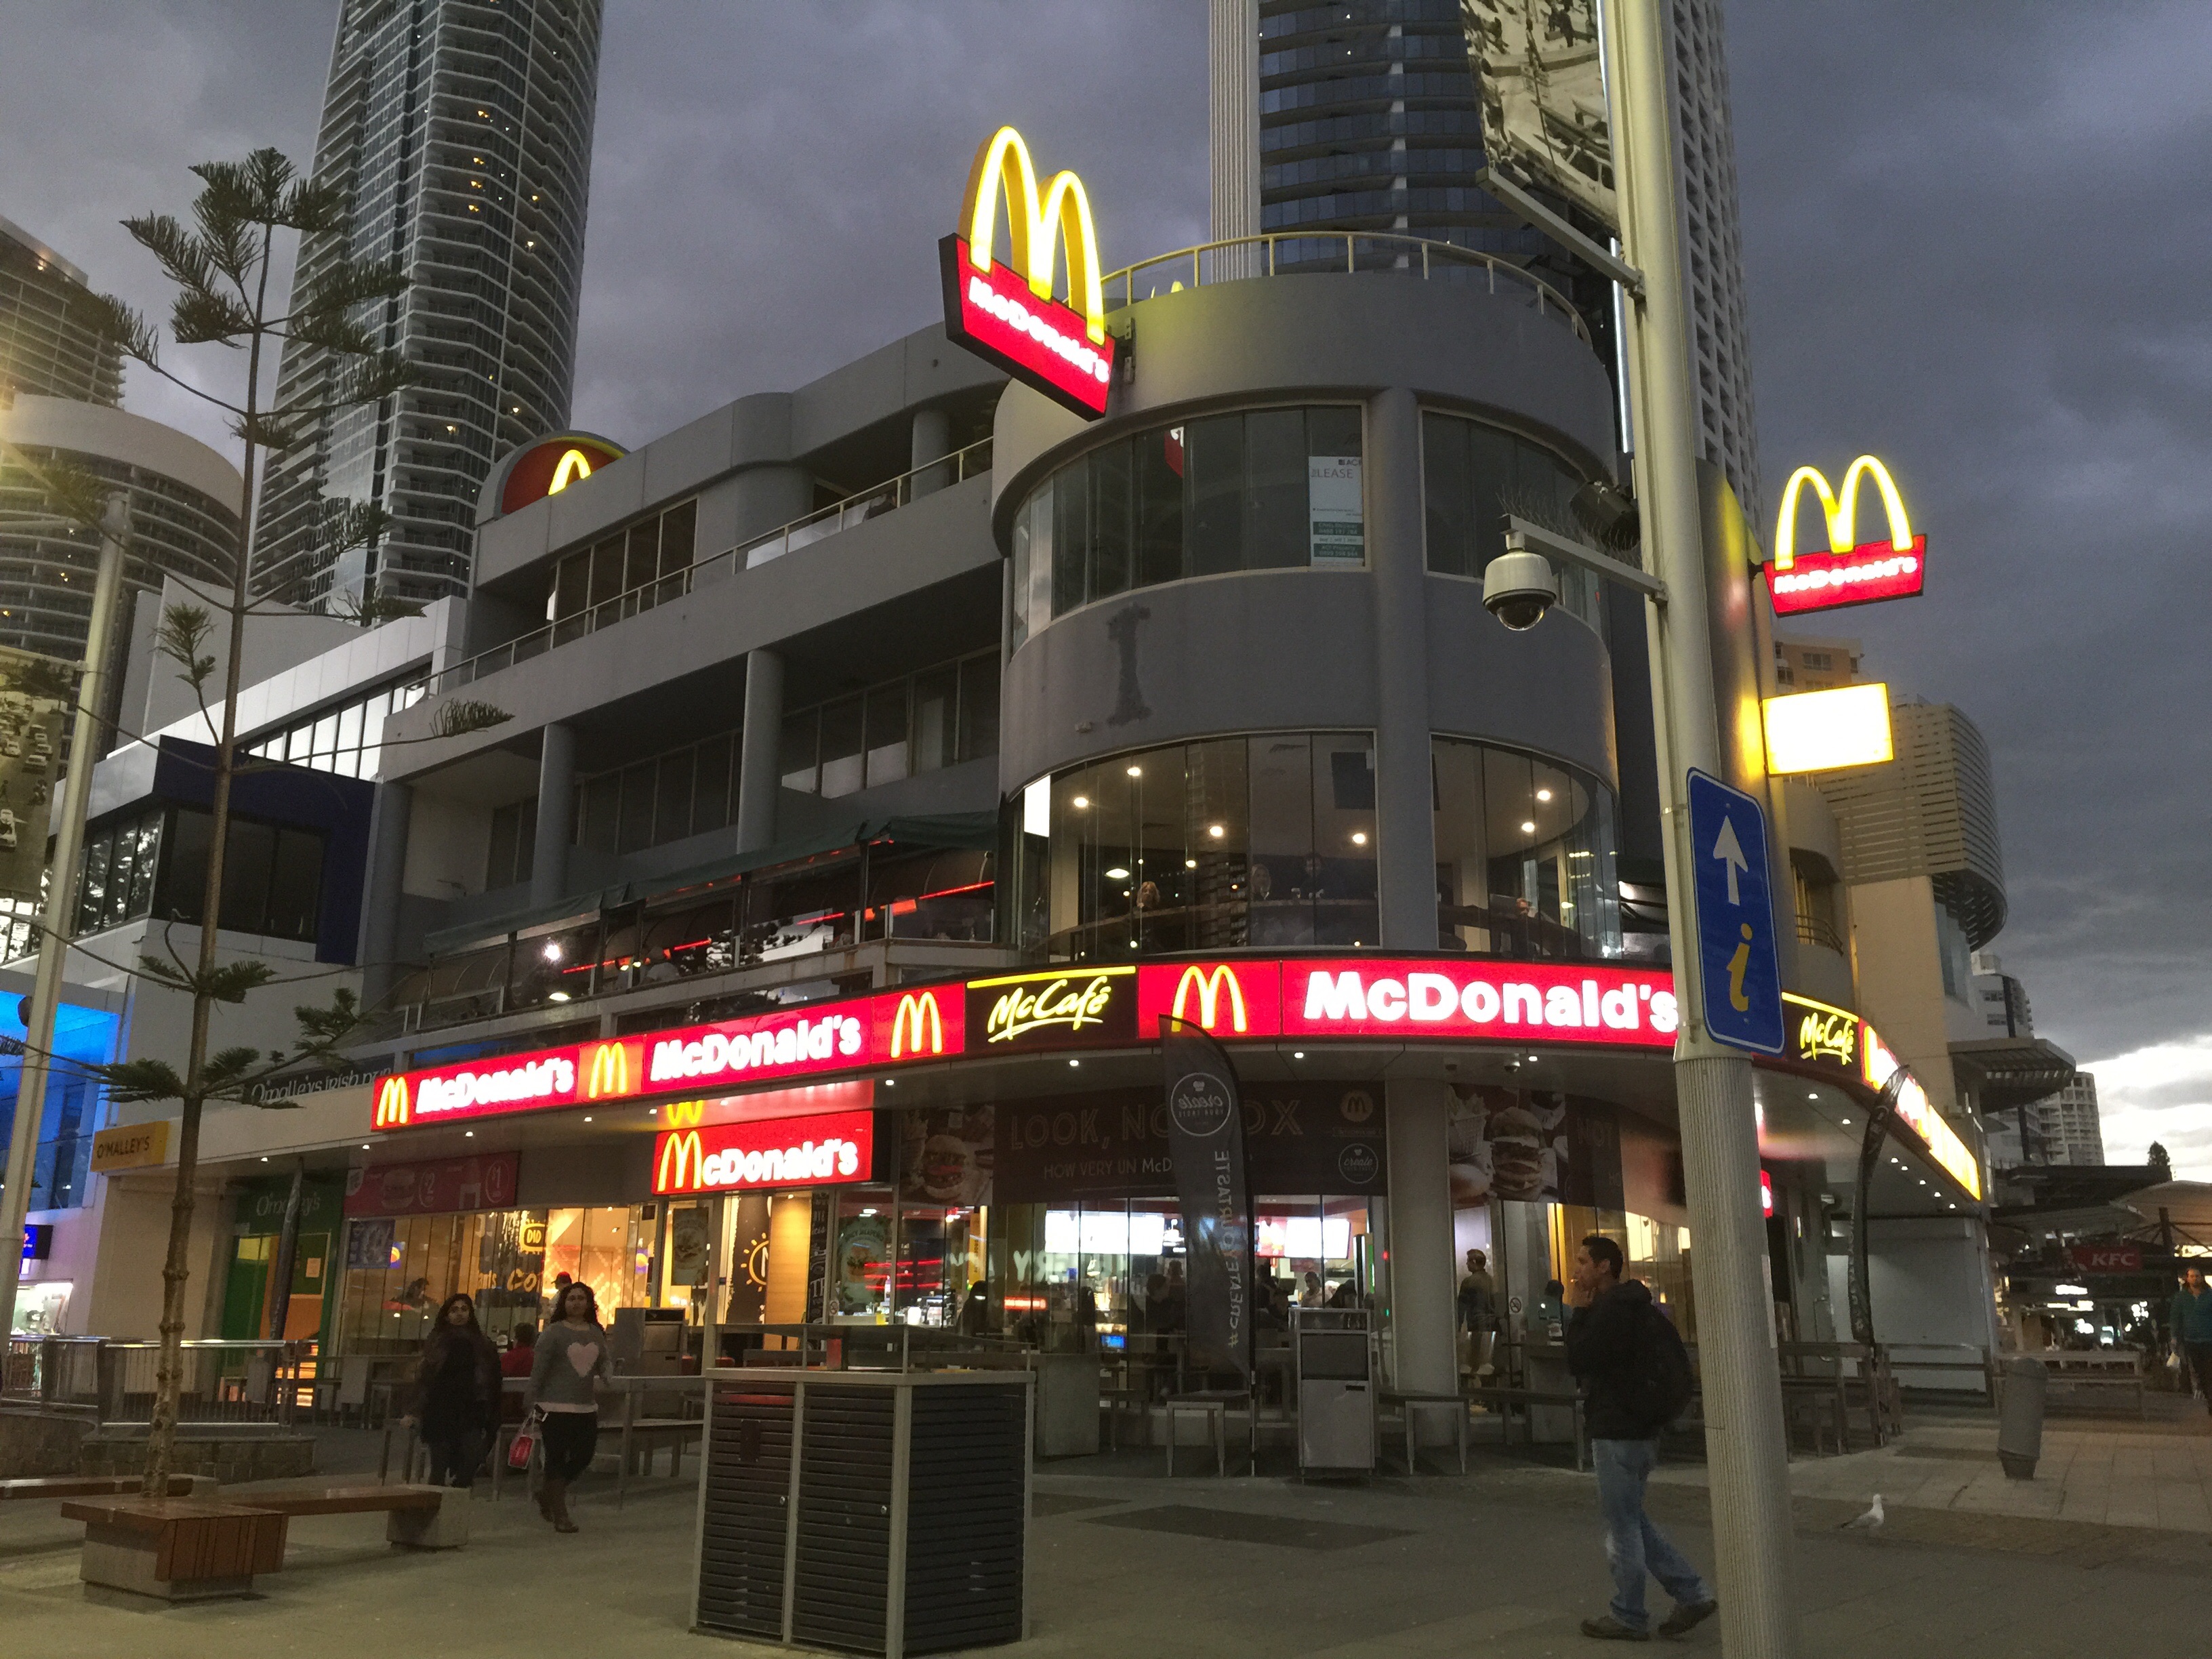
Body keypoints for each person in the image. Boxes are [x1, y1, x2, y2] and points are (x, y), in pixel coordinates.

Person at [1565, 1234, 1716, 1641]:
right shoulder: (1638, 1308)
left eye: (1583, 1262)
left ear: (1604, 1268)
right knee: (1632, 1517)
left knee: (1623, 1525)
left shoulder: (1608, 1311)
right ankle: (1691, 1593)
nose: (1576, 1270)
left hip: (1617, 1429)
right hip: (1643, 1429)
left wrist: (1578, 1313)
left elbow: (1579, 1359)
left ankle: (1629, 1613)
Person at [529, 1281, 613, 1533]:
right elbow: (539, 1369)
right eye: (572, 1298)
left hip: (585, 1407)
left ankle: (548, 1493)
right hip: (553, 1407)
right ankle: (561, 1514)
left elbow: (604, 1360)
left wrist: (608, 1375)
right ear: (564, 1303)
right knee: (555, 1458)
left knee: (583, 1455)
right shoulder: (553, 1333)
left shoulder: (596, 1333)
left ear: (589, 1303)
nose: (576, 1303)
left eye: (581, 1298)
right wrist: (531, 1399)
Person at [407, 1292, 500, 1490]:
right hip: (440, 1408)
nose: (460, 1314)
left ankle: (457, 1495)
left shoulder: (482, 1343)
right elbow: (425, 1378)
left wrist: (490, 1410)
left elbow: (491, 1378)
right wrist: (415, 1411)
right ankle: (435, 1502)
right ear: (447, 1315)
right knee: (439, 1463)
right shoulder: (437, 1341)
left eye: (464, 1309)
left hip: (471, 1408)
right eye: (454, 1310)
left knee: (472, 1456)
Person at [2172, 1267, 2212, 1412]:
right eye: (2192, 1276)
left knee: (2209, 1370)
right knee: (2199, 1371)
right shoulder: (2181, 1297)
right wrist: (2174, 1337)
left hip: (2209, 1339)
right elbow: (2175, 1317)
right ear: (2187, 1278)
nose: (2195, 1279)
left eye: (2197, 1276)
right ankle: (2209, 1397)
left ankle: (2211, 1399)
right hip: (2191, 1340)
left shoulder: (2209, 1296)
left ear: (2202, 1278)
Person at [1458, 1248, 1498, 1378]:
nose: (1467, 1264)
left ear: (1474, 1262)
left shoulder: (1469, 1282)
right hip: (1492, 1325)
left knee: (1475, 1362)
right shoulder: (1491, 1281)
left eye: (1468, 1261)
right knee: (1488, 1361)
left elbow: (1461, 1308)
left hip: (1476, 1326)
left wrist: (1458, 1328)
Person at [499, 1322, 537, 1423]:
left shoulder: (508, 1358)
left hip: (508, 1408)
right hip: (532, 1408)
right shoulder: (537, 1358)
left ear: (516, 1338)